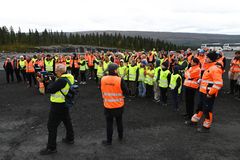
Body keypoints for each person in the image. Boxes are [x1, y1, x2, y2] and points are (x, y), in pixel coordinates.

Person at [40, 64, 75, 155]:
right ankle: (70, 138)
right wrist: (52, 80)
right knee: (67, 121)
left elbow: (50, 89)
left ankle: (51, 148)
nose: (55, 72)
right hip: (64, 103)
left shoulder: (61, 81)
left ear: (60, 72)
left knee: (51, 126)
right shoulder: (69, 77)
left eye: (56, 71)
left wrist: (49, 81)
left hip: (57, 105)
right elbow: (56, 87)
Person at [191, 51, 223, 133]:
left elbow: (219, 83)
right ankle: (195, 121)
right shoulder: (209, 67)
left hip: (208, 94)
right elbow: (208, 80)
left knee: (207, 109)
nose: (206, 58)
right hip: (203, 92)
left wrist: (210, 93)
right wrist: (200, 81)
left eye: (207, 57)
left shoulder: (215, 69)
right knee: (200, 107)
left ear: (211, 59)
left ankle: (206, 127)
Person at [100, 63, 128, 146]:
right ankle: (120, 136)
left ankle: (109, 141)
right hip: (118, 105)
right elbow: (126, 91)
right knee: (119, 121)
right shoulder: (119, 79)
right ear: (115, 70)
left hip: (108, 105)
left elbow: (100, 88)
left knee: (109, 123)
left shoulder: (103, 79)